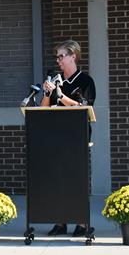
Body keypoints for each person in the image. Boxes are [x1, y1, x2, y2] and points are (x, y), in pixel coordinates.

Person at [41, 39, 96, 237]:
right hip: (55, 137)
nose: (59, 60)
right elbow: (43, 109)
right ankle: (60, 221)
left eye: (62, 56)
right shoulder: (56, 79)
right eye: (57, 57)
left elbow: (83, 106)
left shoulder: (86, 81)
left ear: (74, 56)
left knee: (75, 180)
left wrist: (60, 94)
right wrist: (48, 93)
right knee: (57, 180)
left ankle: (82, 223)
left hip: (77, 137)